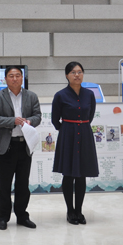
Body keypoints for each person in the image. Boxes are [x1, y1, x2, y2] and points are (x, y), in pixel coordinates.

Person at [0, 66, 41, 230]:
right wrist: (13, 121)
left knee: (23, 184)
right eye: (11, 76)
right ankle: (3, 217)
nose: (15, 78)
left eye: (18, 75)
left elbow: (38, 116)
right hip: (7, 146)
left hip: (25, 145)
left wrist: (30, 121)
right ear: (5, 79)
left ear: (22, 78)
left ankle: (22, 216)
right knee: (4, 184)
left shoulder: (31, 96)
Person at [52, 61, 99, 225]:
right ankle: (70, 211)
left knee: (81, 174)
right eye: (73, 72)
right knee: (69, 174)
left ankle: (79, 210)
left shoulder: (89, 94)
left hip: (85, 134)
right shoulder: (60, 95)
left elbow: (90, 115)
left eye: (79, 72)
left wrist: (81, 126)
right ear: (67, 75)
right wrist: (66, 130)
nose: (77, 75)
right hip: (68, 135)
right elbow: (55, 120)